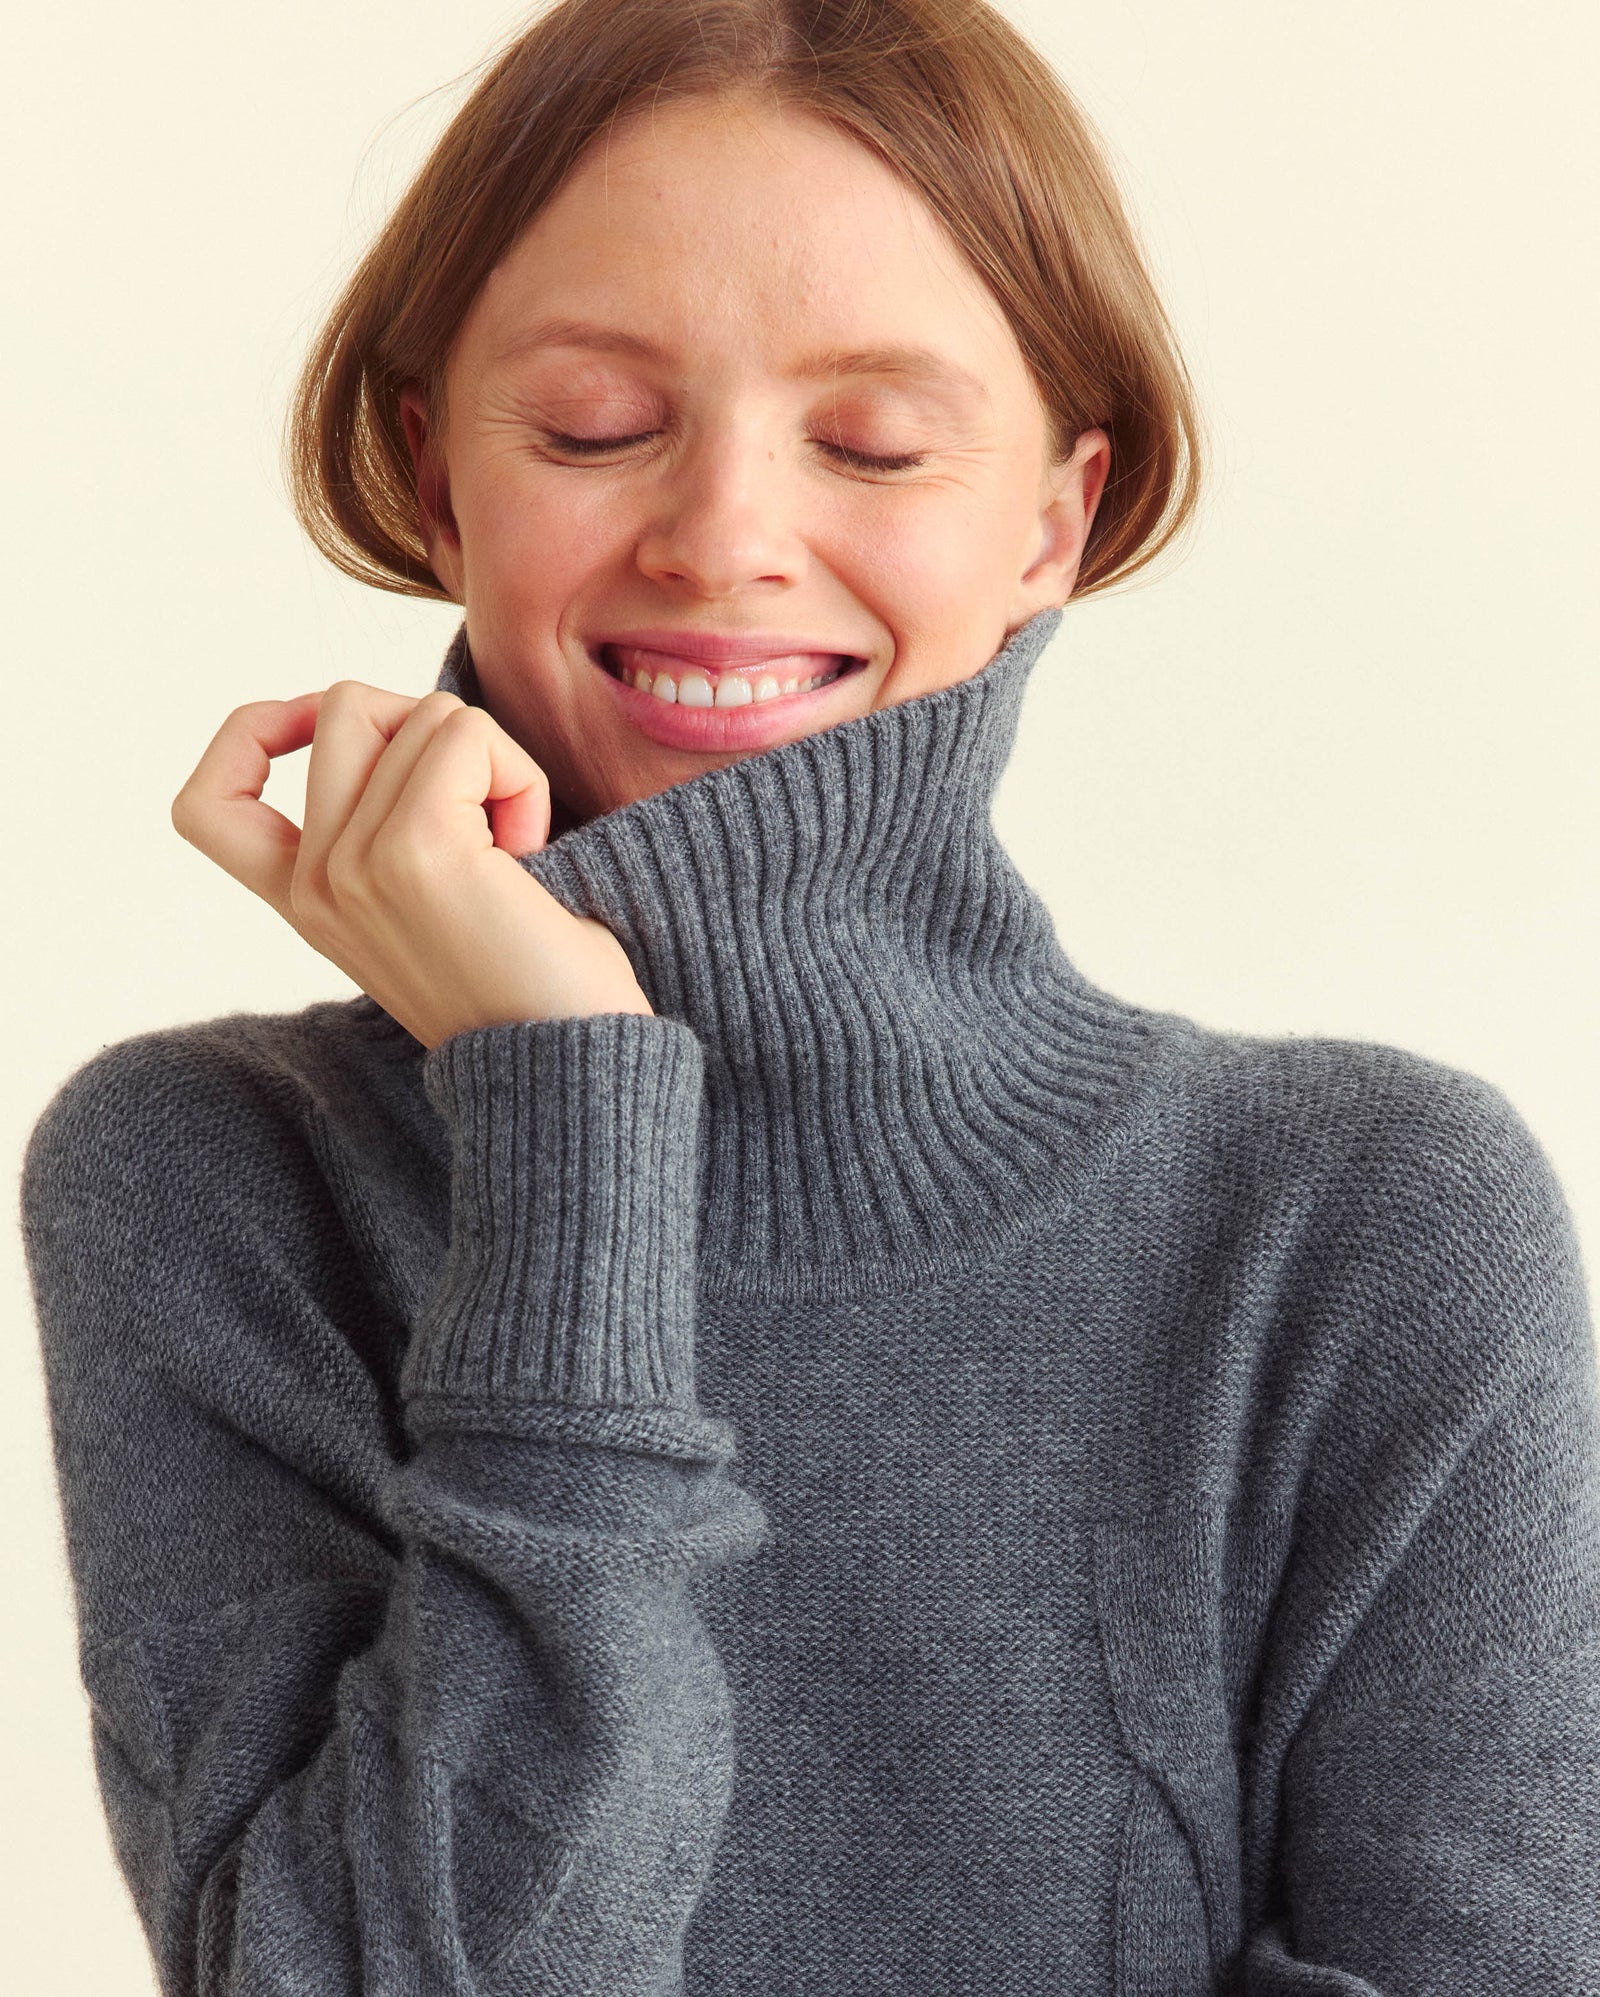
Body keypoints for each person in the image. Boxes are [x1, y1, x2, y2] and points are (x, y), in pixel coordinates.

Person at [19, 0, 1599, 1991]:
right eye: (594, 425)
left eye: (869, 441)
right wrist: (564, 1118)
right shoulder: (210, 1178)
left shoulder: (1359, 1218)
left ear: (1053, 521)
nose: (724, 537)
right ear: (434, 480)